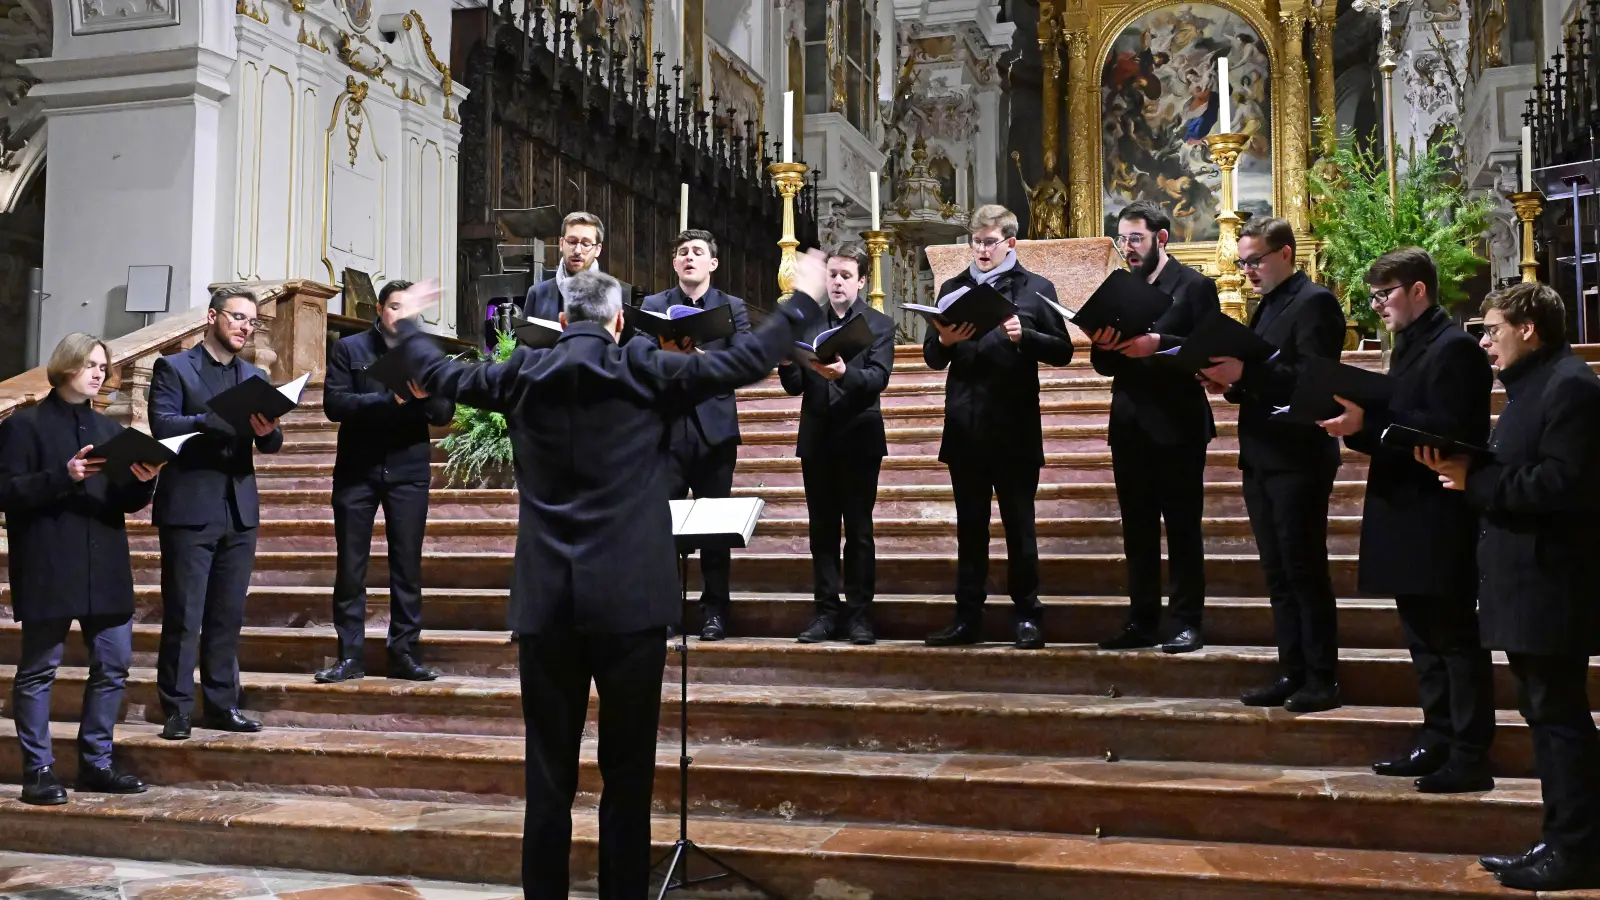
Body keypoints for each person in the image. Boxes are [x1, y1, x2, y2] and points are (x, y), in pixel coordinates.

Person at [385, 253, 829, 900]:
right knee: (627, 780)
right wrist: (802, 300)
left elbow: (433, 370)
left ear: (562, 319)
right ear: (621, 321)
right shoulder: (644, 368)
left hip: (546, 604)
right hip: (632, 601)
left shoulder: (521, 373)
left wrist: (412, 323)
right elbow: (742, 361)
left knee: (548, 779)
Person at [1420, 282, 1600, 892]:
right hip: (1527, 580)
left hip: (1552, 582)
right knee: (1547, 715)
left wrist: (1475, 482)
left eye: (1492, 328)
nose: (1485, 341)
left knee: (1560, 718)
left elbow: (1561, 484)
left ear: (1529, 328)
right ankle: (1561, 840)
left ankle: (1576, 850)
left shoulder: (1571, 387)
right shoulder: (1535, 387)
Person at [1317, 248, 1495, 794]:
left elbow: (1450, 427)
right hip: (1405, 505)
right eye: (1372, 297)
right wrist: (1364, 423)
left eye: (1384, 294)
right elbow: (1403, 420)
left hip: (1438, 510)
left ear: (1419, 290)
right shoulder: (1412, 346)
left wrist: (1367, 422)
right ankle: (1437, 736)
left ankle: (1470, 753)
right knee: (1423, 637)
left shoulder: (1456, 349)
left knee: (1454, 638)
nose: (1377, 307)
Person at [0, 334, 160, 805]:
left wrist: (144, 485)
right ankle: (39, 770)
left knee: (112, 665)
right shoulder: (23, 427)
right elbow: (5, 492)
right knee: (38, 670)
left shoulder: (110, 432)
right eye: (90, 364)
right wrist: (62, 476)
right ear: (66, 366)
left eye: (102, 366)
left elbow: (122, 502)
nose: (98, 373)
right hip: (50, 561)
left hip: (105, 562)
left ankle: (96, 763)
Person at [1198, 216, 1346, 712]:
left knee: (1304, 568)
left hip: (1299, 453)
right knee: (1277, 571)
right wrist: (1231, 383)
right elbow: (1263, 372)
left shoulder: (1316, 302)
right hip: (1262, 452)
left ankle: (1322, 676)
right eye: (1243, 263)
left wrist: (1247, 372)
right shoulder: (1267, 307)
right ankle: (1292, 670)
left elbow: (1313, 377)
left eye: (1255, 260)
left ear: (1286, 253)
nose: (1248, 271)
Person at [922, 204, 1076, 650]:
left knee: (1019, 527)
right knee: (970, 529)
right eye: (976, 240)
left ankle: (1027, 616)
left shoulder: (1035, 289)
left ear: (1011, 242)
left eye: (990, 241)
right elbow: (934, 356)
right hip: (966, 426)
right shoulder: (953, 288)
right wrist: (945, 341)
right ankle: (966, 618)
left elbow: (1063, 351)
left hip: (1014, 427)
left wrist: (1024, 336)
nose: (982, 249)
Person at [149, 286, 284, 739]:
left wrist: (267, 431)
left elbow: (271, 443)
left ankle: (223, 705)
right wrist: (212, 419)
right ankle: (177, 709)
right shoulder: (175, 367)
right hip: (190, 506)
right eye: (238, 318)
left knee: (227, 614)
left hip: (238, 507)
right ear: (212, 317)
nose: (246, 327)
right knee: (185, 615)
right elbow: (163, 424)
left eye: (252, 321)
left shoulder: (253, 377)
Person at [1089, 200, 1218, 654]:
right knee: (1137, 530)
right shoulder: (1118, 287)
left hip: (1179, 422)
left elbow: (1209, 346)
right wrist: (1104, 344)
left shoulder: (1195, 285)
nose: (1127, 247)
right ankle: (1141, 620)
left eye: (1135, 238)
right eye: (1122, 239)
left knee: (1183, 529)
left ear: (1160, 238)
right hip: (1129, 423)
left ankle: (1186, 622)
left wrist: (1158, 343)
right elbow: (1102, 363)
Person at [316, 279, 457, 684]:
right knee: (351, 566)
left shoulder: (427, 351)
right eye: (395, 307)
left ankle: (404, 653)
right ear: (379, 310)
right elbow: (334, 404)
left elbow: (445, 413)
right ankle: (350, 656)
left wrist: (425, 395)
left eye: (409, 309)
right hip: (357, 470)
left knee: (406, 565)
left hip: (408, 470)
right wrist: (389, 400)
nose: (402, 315)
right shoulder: (350, 349)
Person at [778, 241, 896, 644]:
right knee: (822, 531)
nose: (838, 282)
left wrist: (844, 373)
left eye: (847, 276)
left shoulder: (878, 325)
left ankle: (861, 616)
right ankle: (826, 612)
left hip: (860, 436)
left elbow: (878, 379)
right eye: (833, 275)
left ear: (862, 281)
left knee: (859, 531)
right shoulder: (808, 325)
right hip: (818, 436)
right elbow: (795, 386)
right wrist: (783, 363)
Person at [641, 229, 752, 641]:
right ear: (674, 264)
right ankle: (666, 611)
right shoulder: (655, 306)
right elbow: (636, 355)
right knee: (662, 527)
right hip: (665, 430)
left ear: (713, 263)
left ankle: (714, 612)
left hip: (714, 430)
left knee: (714, 527)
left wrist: (699, 356)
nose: (689, 257)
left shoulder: (731, 307)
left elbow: (743, 360)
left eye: (698, 252)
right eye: (682, 252)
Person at [522, 211, 605, 321]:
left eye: (586, 244)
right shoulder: (537, 294)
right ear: (561, 244)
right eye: (572, 242)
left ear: (598, 249)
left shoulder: (617, 294)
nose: (577, 251)